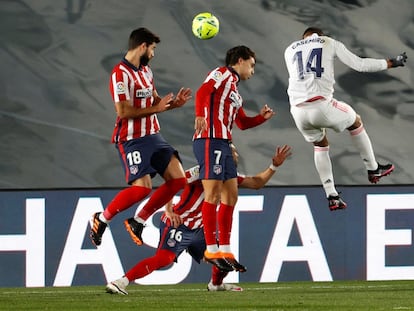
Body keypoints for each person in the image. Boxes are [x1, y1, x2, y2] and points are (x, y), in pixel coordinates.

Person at [105, 143, 292, 295]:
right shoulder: (200, 172)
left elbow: (257, 182)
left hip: (199, 230)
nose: (233, 155)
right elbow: (172, 185)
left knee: (223, 258)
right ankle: (122, 281)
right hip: (179, 223)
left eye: (234, 152)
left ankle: (215, 285)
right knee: (164, 259)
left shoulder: (231, 178)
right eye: (230, 151)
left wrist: (273, 165)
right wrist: (169, 211)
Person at [284, 26, 407, 211]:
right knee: (355, 121)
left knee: (320, 145)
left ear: (303, 37)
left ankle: (331, 195)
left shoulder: (290, 49)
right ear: (321, 35)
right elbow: (360, 64)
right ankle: (373, 168)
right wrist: (391, 63)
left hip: (298, 111)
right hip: (321, 105)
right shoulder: (328, 42)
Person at [90, 27, 192, 246]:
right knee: (142, 188)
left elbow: (155, 101)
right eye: (152, 49)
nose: (153, 54)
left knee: (178, 180)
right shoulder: (120, 73)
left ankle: (138, 220)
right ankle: (102, 218)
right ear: (143, 46)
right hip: (131, 139)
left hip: (153, 135)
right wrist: (159, 109)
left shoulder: (146, 72)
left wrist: (174, 105)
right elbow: (123, 111)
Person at [193, 45, 276, 271]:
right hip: (210, 139)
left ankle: (226, 250)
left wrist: (261, 118)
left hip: (224, 143)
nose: (253, 70)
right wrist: (200, 113)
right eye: (251, 65)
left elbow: (242, 123)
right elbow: (202, 92)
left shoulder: (235, 93)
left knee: (231, 196)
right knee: (212, 194)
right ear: (240, 60)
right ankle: (211, 249)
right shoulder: (221, 73)